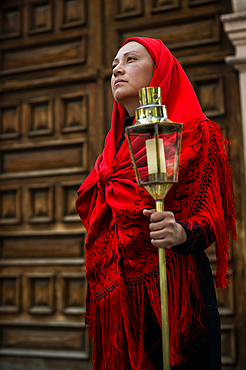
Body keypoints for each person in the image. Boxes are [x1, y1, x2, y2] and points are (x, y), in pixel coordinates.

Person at [76, 37, 236, 370]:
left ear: (160, 70)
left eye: (130, 60)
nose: (117, 69)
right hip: (119, 307)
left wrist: (180, 232)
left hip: (173, 299)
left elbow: (211, 218)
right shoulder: (113, 152)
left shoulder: (193, 134)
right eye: (113, 66)